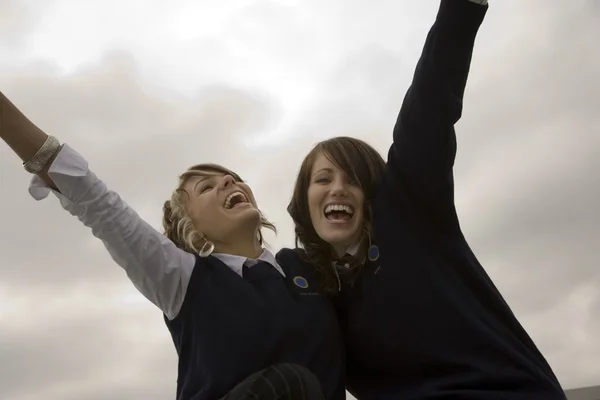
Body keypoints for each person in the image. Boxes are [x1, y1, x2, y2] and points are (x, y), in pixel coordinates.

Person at [288, 0, 568, 399]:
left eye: (352, 179)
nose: (337, 188)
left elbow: (429, 108)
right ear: (304, 199)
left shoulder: (411, 215)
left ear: (372, 194)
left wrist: (461, 10)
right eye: (322, 179)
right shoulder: (311, 293)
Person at [0, 91, 345, 400]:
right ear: (188, 227)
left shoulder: (310, 268)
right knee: (292, 383)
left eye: (231, 178)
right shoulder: (183, 278)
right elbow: (96, 203)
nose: (228, 180)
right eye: (207, 188)